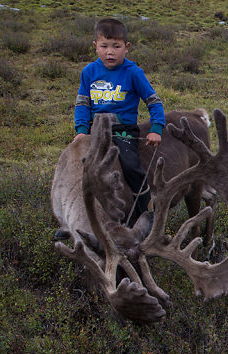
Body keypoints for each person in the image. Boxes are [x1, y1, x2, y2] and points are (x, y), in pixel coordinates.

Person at [73, 17, 165, 226]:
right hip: (95, 131)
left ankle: (148, 210)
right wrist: (80, 130)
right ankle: (75, 219)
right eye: (104, 46)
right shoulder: (89, 72)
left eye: (116, 46)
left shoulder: (133, 73)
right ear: (95, 46)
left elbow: (154, 102)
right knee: (80, 168)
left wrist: (156, 128)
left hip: (123, 131)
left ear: (126, 48)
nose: (110, 52)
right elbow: (82, 104)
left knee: (131, 166)